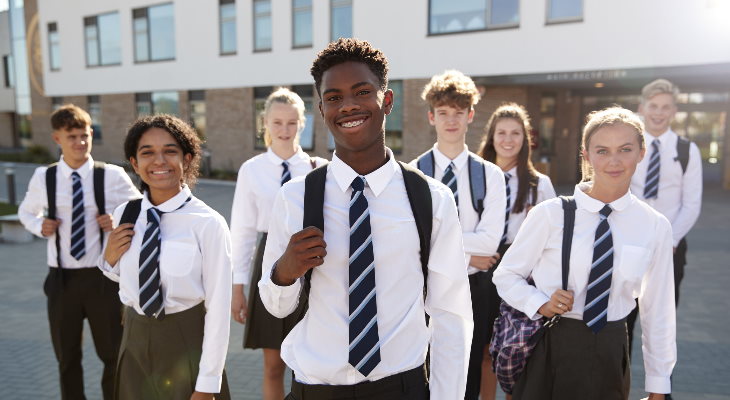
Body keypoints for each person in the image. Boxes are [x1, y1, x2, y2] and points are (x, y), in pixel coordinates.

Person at [258, 38, 473, 399]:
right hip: (316, 388)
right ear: (322, 109)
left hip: (400, 387)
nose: (349, 106)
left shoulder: (430, 198)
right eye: (334, 97)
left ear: (387, 101)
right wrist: (284, 271)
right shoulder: (295, 197)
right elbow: (276, 306)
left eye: (362, 92)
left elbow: (451, 314)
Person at [493, 107, 676, 400]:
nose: (614, 161)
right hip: (550, 346)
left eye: (625, 149)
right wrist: (540, 303)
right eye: (602, 151)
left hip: (611, 350)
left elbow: (659, 313)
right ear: (586, 155)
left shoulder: (654, 226)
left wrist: (659, 387)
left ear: (641, 153)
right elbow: (506, 275)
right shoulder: (551, 214)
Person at [100, 115, 232, 400]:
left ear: (186, 159)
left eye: (169, 151)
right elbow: (126, 277)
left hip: (186, 343)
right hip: (133, 339)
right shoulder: (127, 214)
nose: (159, 161)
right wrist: (108, 259)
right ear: (135, 164)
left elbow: (219, 310)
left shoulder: (208, 223)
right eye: (147, 152)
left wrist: (207, 385)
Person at [18, 104, 140, 400]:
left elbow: (141, 209)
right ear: (57, 139)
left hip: (102, 281)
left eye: (85, 135)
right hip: (61, 282)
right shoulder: (44, 177)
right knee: (67, 358)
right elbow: (25, 212)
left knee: (112, 356)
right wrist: (39, 225)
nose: (80, 142)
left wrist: (116, 220)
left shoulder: (110, 175)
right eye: (72, 136)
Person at [410, 70, 506, 400]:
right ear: (431, 117)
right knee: (422, 367)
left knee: (466, 375)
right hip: (424, 286)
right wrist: (468, 253)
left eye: (458, 113)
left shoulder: (490, 175)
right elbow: (412, 242)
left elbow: (491, 241)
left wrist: (442, 245)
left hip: (474, 289)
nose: (451, 121)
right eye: (444, 113)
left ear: (470, 116)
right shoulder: (413, 174)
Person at [230, 87, 326, 400]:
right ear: (266, 124)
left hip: (314, 265)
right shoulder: (251, 170)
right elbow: (242, 232)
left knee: (313, 364)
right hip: (270, 266)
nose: (284, 130)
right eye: (277, 123)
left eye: (291, 122)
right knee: (273, 366)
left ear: (303, 123)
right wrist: (237, 289)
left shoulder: (320, 168)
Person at [476, 102, 556, 400]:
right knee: (485, 348)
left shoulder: (539, 184)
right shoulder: (477, 177)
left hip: (522, 272)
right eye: (502, 133)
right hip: (483, 267)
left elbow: (553, 239)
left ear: (526, 140)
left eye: (515, 133)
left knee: (517, 347)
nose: (508, 140)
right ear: (491, 136)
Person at [628, 79, 702, 366]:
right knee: (622, 322)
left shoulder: (686, 150)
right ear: (642, 107)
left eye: (665, 108)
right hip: (629, 245)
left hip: (670, 250)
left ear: (674, 112)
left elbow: (691, 204)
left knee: (661, 324)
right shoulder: (627, 145)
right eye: (653, 106)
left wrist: (669, 240)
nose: (658, 113)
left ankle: (662, 391)